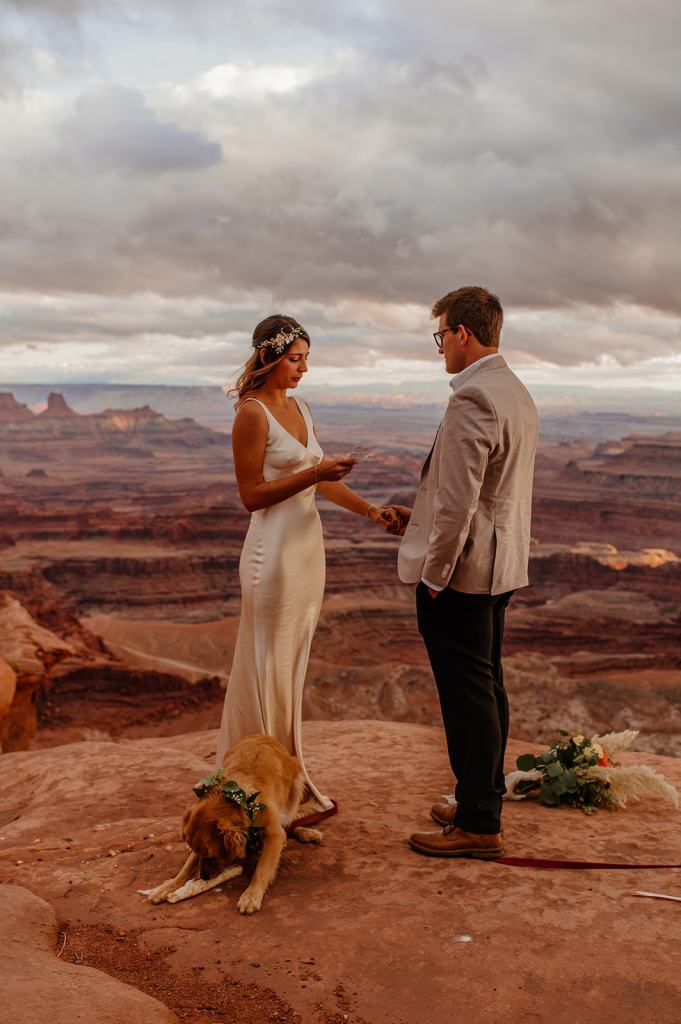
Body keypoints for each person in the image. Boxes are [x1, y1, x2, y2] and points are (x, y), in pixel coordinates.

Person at [218, 314, 394, 814]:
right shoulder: (251, 414)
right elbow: (251, 496)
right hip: (271, 555)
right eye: (295, 359)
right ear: (268, 358)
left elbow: (319, 482)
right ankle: (259, 789)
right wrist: (314, 470)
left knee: (290, 668)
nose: (303, 369)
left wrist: (370, 510)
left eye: (307, 360)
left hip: (305, 555)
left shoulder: (301, 408)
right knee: (268, 666)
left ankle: (286, 783)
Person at [389, 286, 538, 858]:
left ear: (463, 335)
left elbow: (459, 503)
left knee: (466, 695)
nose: (440, 349)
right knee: (487, 685)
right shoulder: (515, 391)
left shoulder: (472, 398)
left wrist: (434, 574)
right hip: (500, 569)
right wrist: (417, 520)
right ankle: (480, 797)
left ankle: (479, 824)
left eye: (441, 336)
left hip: (463, 574)